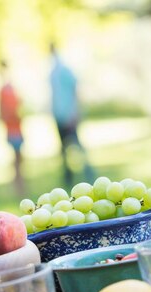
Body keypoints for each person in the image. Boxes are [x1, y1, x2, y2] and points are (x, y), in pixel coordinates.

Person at [49, 45, 95, 187]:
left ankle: (89, 173)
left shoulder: (64, 70)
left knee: (77, 146)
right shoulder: (52, 72)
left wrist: (74, 112)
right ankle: (68, 177)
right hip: (59, 115)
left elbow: (74, 90)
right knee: (63, 149)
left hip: (68, 115)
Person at [0, 61, 26, 196]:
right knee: (16, 159)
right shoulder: (4, 91)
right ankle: (18, 186)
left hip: (18, 128)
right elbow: (4, 112)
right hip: (12, 129)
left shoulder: (13, 89)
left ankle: (21, 185)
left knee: (20, 158)